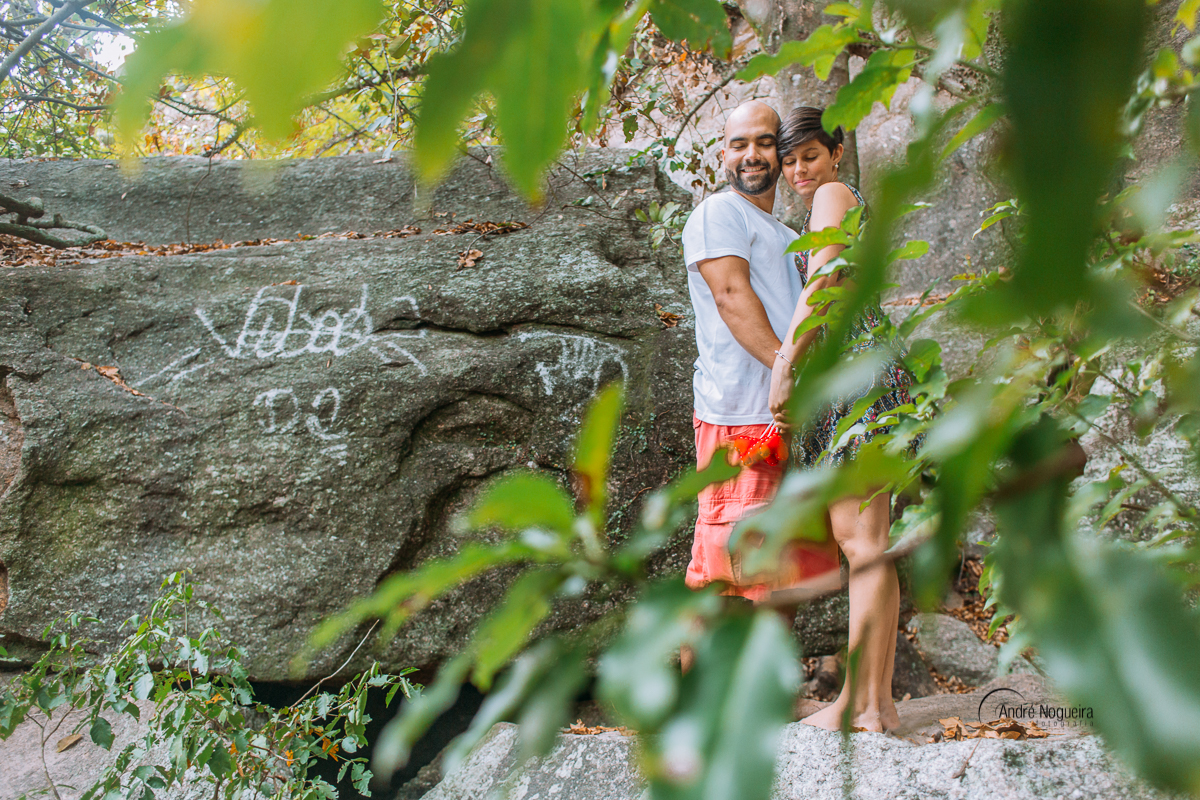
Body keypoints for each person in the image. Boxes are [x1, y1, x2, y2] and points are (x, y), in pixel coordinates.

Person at [768, 106, 916, 732]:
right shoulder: (837, 197)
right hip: (862, 373)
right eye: (790, 160)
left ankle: (858, 703)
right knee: (868, 545)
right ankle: (872, 704)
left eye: (810, 154)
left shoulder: (833, 193)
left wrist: (784, 363)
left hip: (855, 374)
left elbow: (824, 279)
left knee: (862, 544)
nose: (800, 169)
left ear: (836, 150)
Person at [681, 100, 842, 619]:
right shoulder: (718, 213)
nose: (751, 155)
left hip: (788, 419)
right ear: (723, 154)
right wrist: (787, 372)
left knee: (780, 583)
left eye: (764, 142)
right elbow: (731, 297)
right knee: (725, 579)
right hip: (741, 421)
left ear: (782, 152)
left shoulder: (790, 237)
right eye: (738, 143)